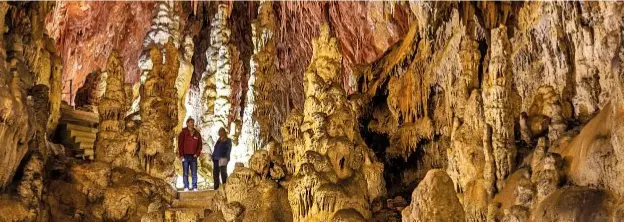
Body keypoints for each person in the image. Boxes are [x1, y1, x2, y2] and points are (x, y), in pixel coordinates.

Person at [177, 118, 202, 191]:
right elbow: (180, 144)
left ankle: (194, 186)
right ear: (187, 123)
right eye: (191, 122)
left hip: (193, 155)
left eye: (193, 122)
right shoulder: (183, 133)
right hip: (185, 155)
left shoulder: (197, 133)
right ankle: (186, 186)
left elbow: (200, 145)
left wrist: (197, 154)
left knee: (194, 172)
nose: (192, 123)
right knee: (185, 172)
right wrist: (181, 155)